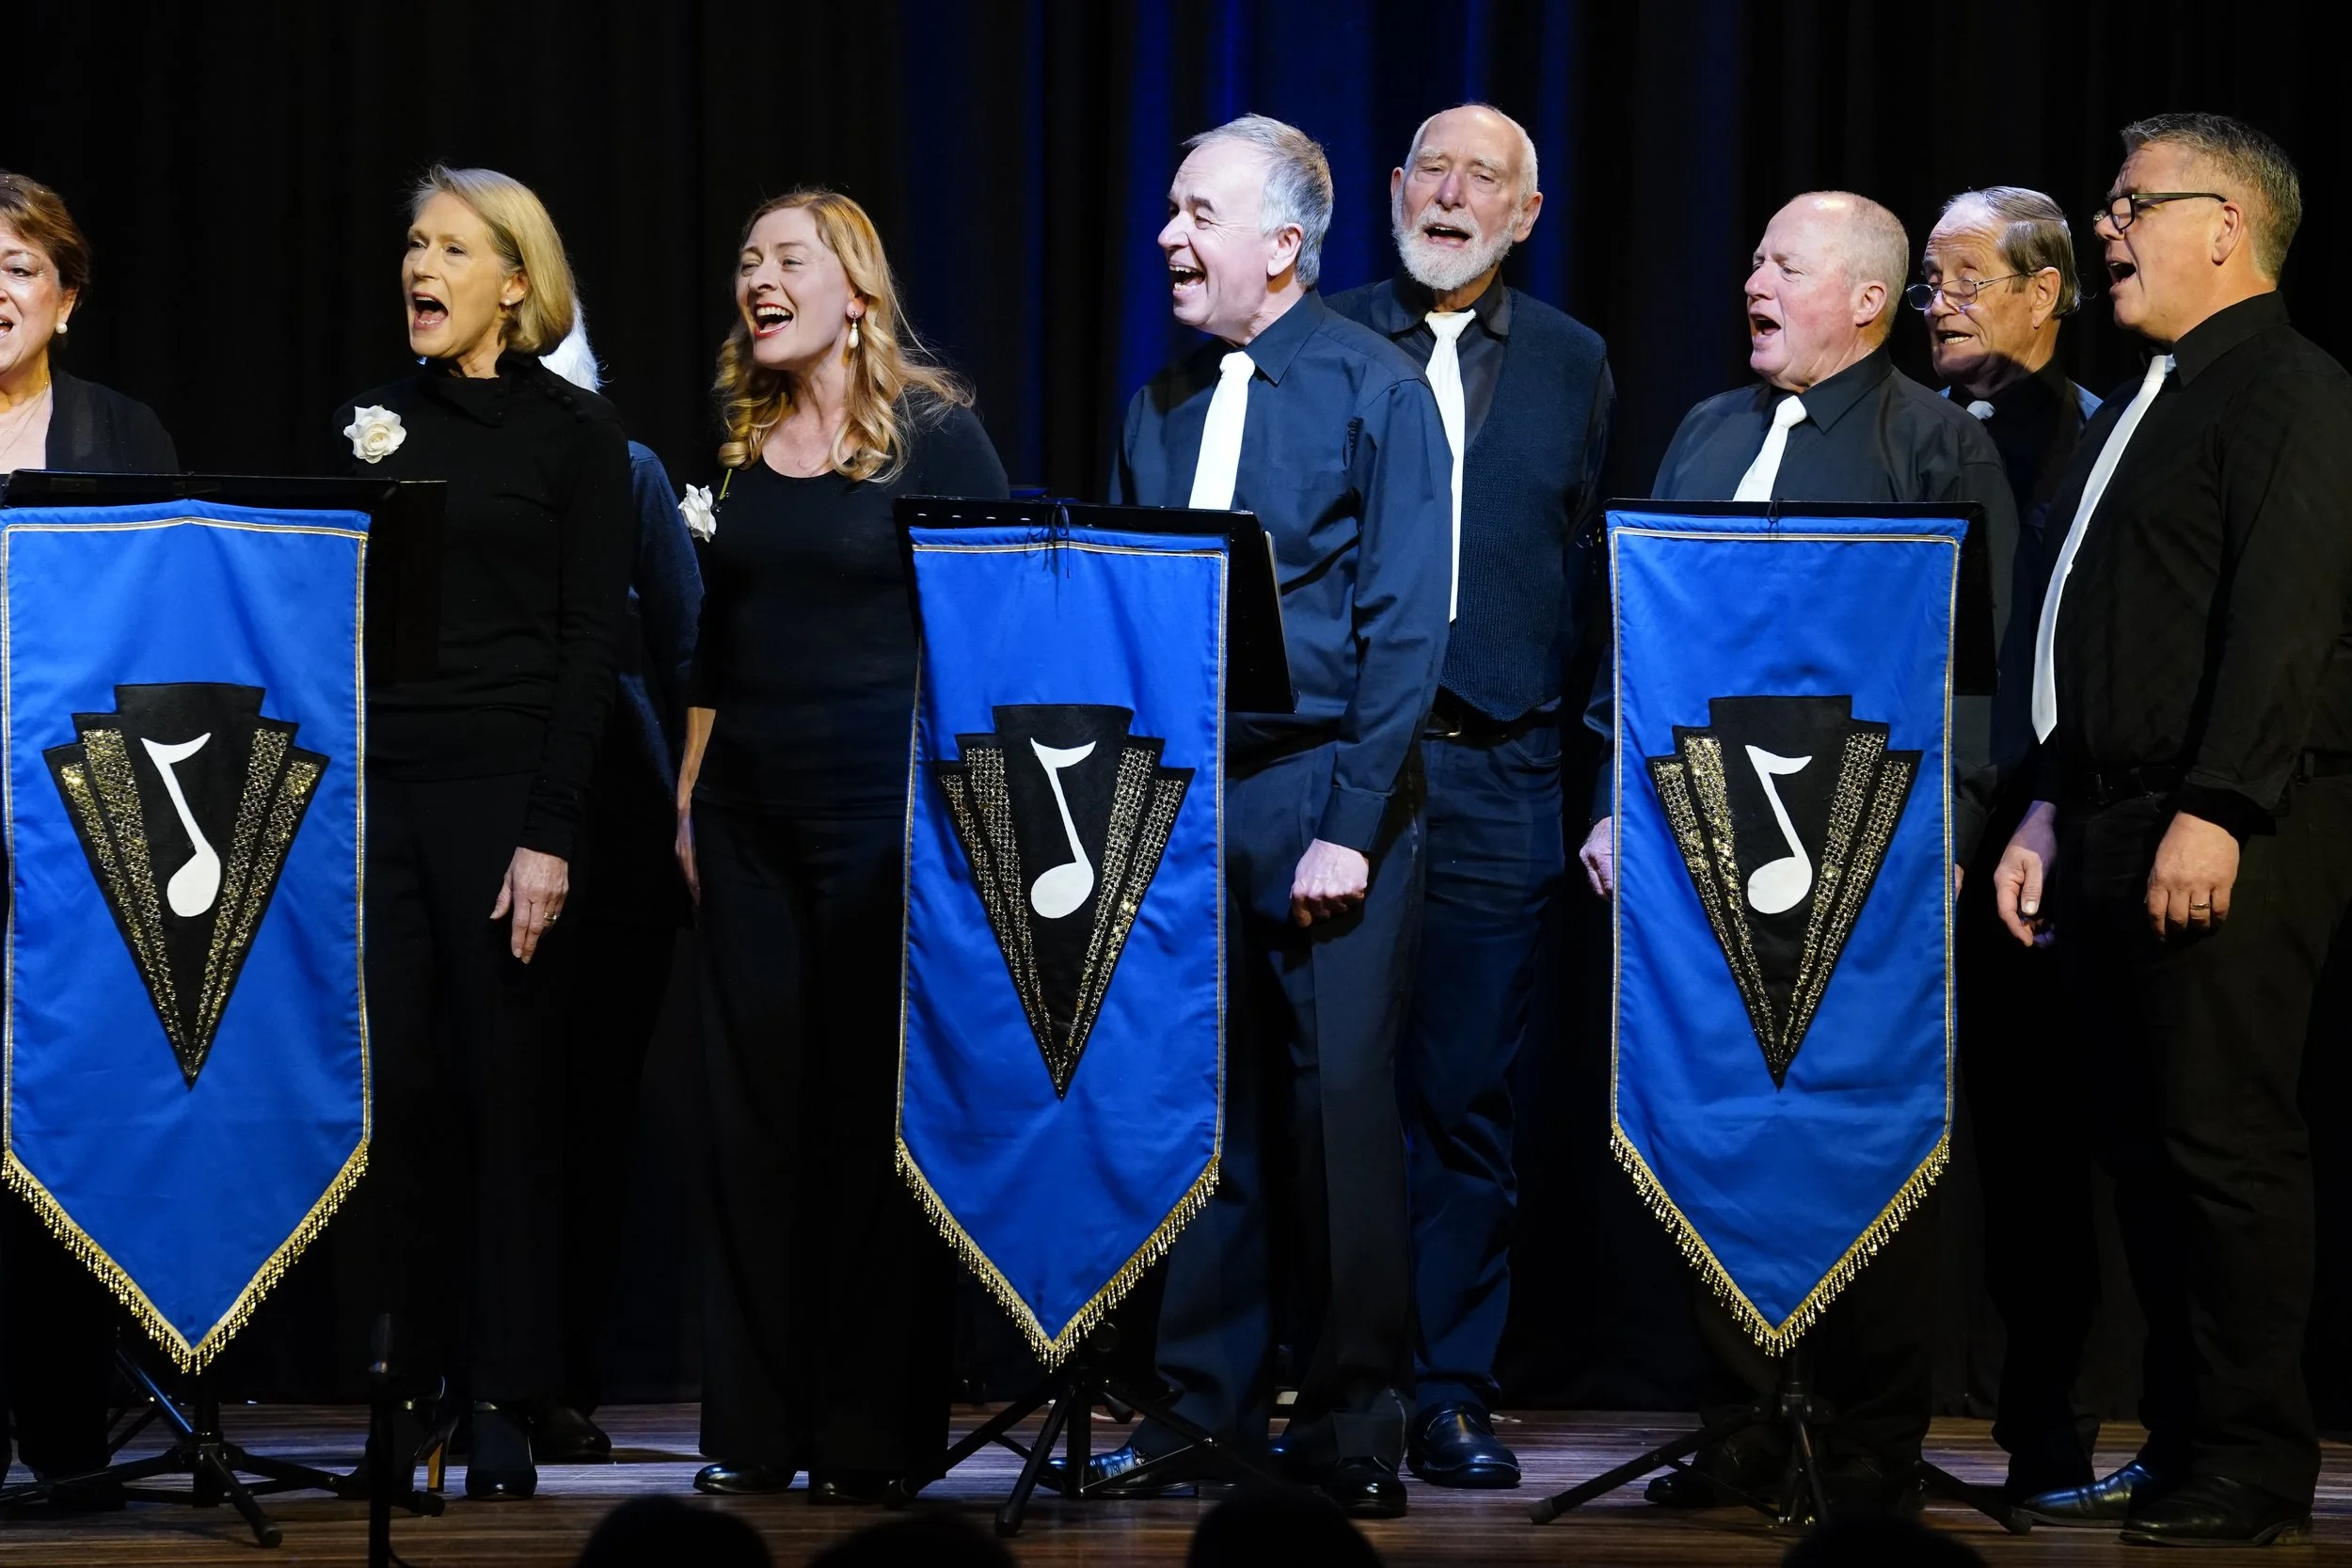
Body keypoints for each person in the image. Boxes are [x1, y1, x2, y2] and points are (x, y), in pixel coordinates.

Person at [1581, 191, 2020, 1513]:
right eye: (1756, 257)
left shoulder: (1934, 446)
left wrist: (1955, 831)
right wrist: (1612, 796)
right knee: (1715, 1108)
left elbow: (1978, 672)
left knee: (1858, 1124)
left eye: (1784, 263)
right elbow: (1640, 636)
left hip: (1874, 861)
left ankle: (1871, 1438)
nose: (1753, 281)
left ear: (1868, 300)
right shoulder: (1710, 429)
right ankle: (1744, 1424)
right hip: (1699, 853)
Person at [1083, 114, 1453, 1519]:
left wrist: (1352, 819)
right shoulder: (1161, 401)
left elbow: (1406, 621)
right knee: (1205, 1108)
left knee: (1339, 1112)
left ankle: (1359, 1416)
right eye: (1169, 212)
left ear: (1284, 246)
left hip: (1327, 785)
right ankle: (1198, 1404)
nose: (1168, 238)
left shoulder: (1376, 388)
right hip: (1192, 791)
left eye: (1196, 214)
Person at [1993, 113, 2352, 1548]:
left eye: (2136, 204)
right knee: (2143, 1149)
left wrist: (2215, 806)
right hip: (2105, 811)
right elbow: (2095, 626)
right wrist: (2039, 799)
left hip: (2230, 818)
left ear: (2229, 226)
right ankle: (2186, 1436)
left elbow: (2285, 620)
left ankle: (2258, 1464)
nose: (2106, 228)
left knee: (2223, 1147)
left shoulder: (2287, 385)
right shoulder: (2147, 394)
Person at [677, 188, 1007, 1503]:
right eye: (746, 258)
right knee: (757, 1125)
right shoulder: (748, 442)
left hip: (887, 827)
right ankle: (757, 1425)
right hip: (748, 823)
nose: (757, 276)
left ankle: (873, 1428)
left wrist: (967, 823)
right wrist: (687, 802)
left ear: (853, 289)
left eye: (786, 258)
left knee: (874, 1125)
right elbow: (715, 645)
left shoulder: (937, 438)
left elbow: (991, 633)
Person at [328, 165, 635, 1501]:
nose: (420, 265)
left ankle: (508, 1394)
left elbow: (588, 650)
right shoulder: (370, 423)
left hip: (508, 803)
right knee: (401, 1108)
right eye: (412, 243)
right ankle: (404, 1393)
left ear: (516, 279)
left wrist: (550, 831)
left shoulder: (577, 437)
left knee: (510, 1098)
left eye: (450, 246)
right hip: (383, 798)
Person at [1326, 103, 1611, 1491]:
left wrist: (1591, 774)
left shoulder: (1573, 363)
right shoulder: (1323, 341)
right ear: (1392, 189)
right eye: (1430, 171)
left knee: (1467, 1097)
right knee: (1328, 1085)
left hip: (1504, 771)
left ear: (1525, 213)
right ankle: (1338, 1383)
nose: (1450, 195)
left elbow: (1589, 582)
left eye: (1482, 178)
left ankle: (1449, 1389)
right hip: (1345, 774)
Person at [1915, 186, 2106, 1503]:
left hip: (2030, 845)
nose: (1942, 301)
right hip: (1894, 836)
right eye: (1928, 279)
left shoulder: (2092, 441)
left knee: (2041, 1147)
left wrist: (2021, 811)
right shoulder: (1895, 429)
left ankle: (2050, 1431)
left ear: (2046, 293)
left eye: (1969, 277)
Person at [0, 166, 178, 1507]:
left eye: (18, 265)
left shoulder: (122, 433)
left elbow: (173, 636)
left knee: (63, 1115)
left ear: (64, 297)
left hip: (79, 827)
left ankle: (67, 1428)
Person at [538, 318, 703, 1463]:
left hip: (613, 828)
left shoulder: (627, 469)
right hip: (468, 810)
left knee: (583, 1115)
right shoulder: (409, 453)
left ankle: (555, 1374)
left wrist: (689, 809)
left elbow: (696, 650)